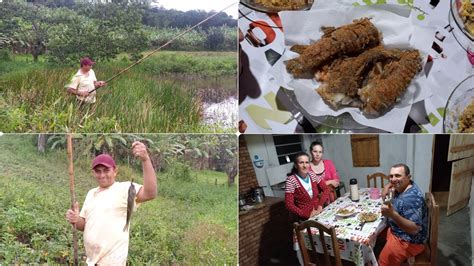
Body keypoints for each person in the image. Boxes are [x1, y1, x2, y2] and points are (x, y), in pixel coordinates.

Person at [65, 141, 157, 265]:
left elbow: (150, 193)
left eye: (106, 170)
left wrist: (145, 160)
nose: (102, 175)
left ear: (115, 171)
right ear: (93, 173)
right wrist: (76, 220)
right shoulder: (91, 193)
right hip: (92, 262)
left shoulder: (124, 189)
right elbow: (84, 225)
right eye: (98, 171)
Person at [378, 163, 428, 266]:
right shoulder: (404, 186)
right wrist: (387, 186)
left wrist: (392, 214)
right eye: (391, 176)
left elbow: (414, 229)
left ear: (408, 177)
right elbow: (392, 183)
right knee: (375, 235)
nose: (393, 179)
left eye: (398, 175)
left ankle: (405, 255)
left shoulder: (410, 199)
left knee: (383, 262)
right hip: (397, 230)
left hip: (409, 240)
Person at [285, 152, 331, 221]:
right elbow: (289, 204)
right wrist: (306, 214)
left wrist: (320, 205)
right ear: (295, 165)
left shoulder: (312, 175)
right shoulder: (291, 180)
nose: (305, 165)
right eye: (301, 163)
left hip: (319, 213)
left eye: (307, 162)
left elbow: (326, 189)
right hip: (306, 219)